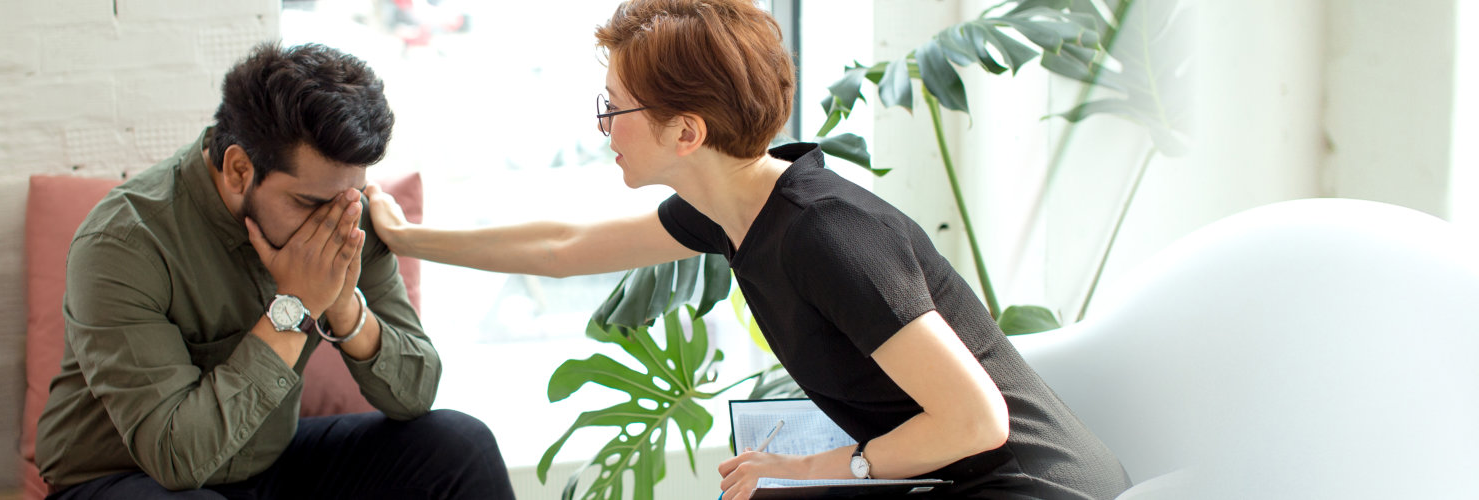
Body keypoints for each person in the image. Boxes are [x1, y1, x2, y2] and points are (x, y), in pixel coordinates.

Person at [361, 1, 1131, 499]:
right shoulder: (730, 209)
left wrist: (814, 471)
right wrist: (406, 237)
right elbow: (565, 246)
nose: (602, 126)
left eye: (614, 107)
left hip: (1036, 486)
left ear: (687, 132)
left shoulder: (825, 233)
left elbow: (977, 422)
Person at [36, 42, 515, 500]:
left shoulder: (349, 213)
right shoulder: (124, 243)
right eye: (309, 203)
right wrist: (297, 306)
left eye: (349, 197)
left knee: (459, 446)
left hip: (268, 462)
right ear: (240, 169)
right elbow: (176, 456)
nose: (334, 222)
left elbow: (414, 395)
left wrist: (344, 305)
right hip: (125, 477)